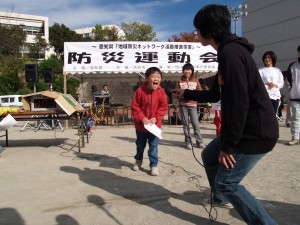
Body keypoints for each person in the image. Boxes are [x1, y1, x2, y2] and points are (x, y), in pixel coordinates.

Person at [172, 4, 279, 225]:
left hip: (255, 132)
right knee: (209, 156)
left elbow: (239, 103)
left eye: (197, 29)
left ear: (208, 30)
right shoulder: (226, 52)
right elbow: (213, 94)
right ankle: (219, 198)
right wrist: (187, 93)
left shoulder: (231, 53)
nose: (195, 34)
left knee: (227, 182)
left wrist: (228, 146)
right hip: (245, 128)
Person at [131, 67, 168, 176]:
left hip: (155, 127)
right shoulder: (140, 91)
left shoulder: (161, 92)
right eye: (153, 76)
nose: (156, 79)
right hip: (141, 126)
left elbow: (163, 107)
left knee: (153, 146)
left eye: (159, 77)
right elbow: (135, 107)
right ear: (147, 78)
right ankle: (138, 160)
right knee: (140, 145)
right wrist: (142, 118)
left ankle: (153, 165)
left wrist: (156, 118)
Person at [176, 63, 205, 150]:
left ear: (192, 71)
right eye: (185, 69)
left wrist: (193, 95)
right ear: (183, 71)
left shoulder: (196, 81)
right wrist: (179, 96)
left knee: (196, 124)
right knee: (185, 125)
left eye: (189, 69)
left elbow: (200, 92)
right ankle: (188, 142)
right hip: (183, 105)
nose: (187, 71)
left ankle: (199, 142)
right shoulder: (179, 81)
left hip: (193, 105)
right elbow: (176, 92)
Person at [258, 51, 284, 116]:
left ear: (273, 59)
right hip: (263, 96)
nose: (267, 59)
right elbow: (257, 83)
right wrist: (266, 86)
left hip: (275, 96)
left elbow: (281, 83)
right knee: (264, 115)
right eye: (265, 58)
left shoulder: (277, 70)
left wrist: (275, 85)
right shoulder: (260, 70)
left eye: (269, 57)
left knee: (273, 116)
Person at [286, 45, 300, 145]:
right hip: (295, 96)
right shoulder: (293, 66)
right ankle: (295, 137)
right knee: (296, 118)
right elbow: (288, 81)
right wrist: (292, 89)